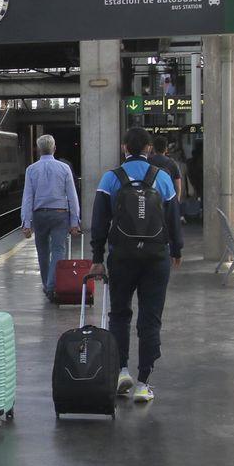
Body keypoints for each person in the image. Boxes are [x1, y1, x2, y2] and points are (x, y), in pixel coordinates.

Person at [89, 127, 184, 404]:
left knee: (119, 314)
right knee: (150, 318)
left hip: (121, 256)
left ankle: (121, 371)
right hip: (156, 257)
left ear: (124, 148)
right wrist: (176, 250)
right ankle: (144, 382)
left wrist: (97, 258)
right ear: (149, 150)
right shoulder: (162, 178)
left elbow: (98, 221)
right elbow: (173, 217)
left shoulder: (111, 178)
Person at [20, 134, 81, 302]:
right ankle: (52, 285)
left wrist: (26, 222)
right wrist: (75, 221)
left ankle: (47, 285)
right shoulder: (64, 168)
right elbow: (72, 196)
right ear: (54, 148)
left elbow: (28, 197)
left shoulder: (31, 169)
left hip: (39, 215)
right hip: (60, 215)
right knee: (58, 250)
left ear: (39, 150)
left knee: (42, 251)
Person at [148, 135, 183, 201]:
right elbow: (178, 185)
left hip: (150, 199)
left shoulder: (147, 162)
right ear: (166, 149)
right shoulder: (172, 163)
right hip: (167, 199)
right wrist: (177, 201)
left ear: (153, 148)